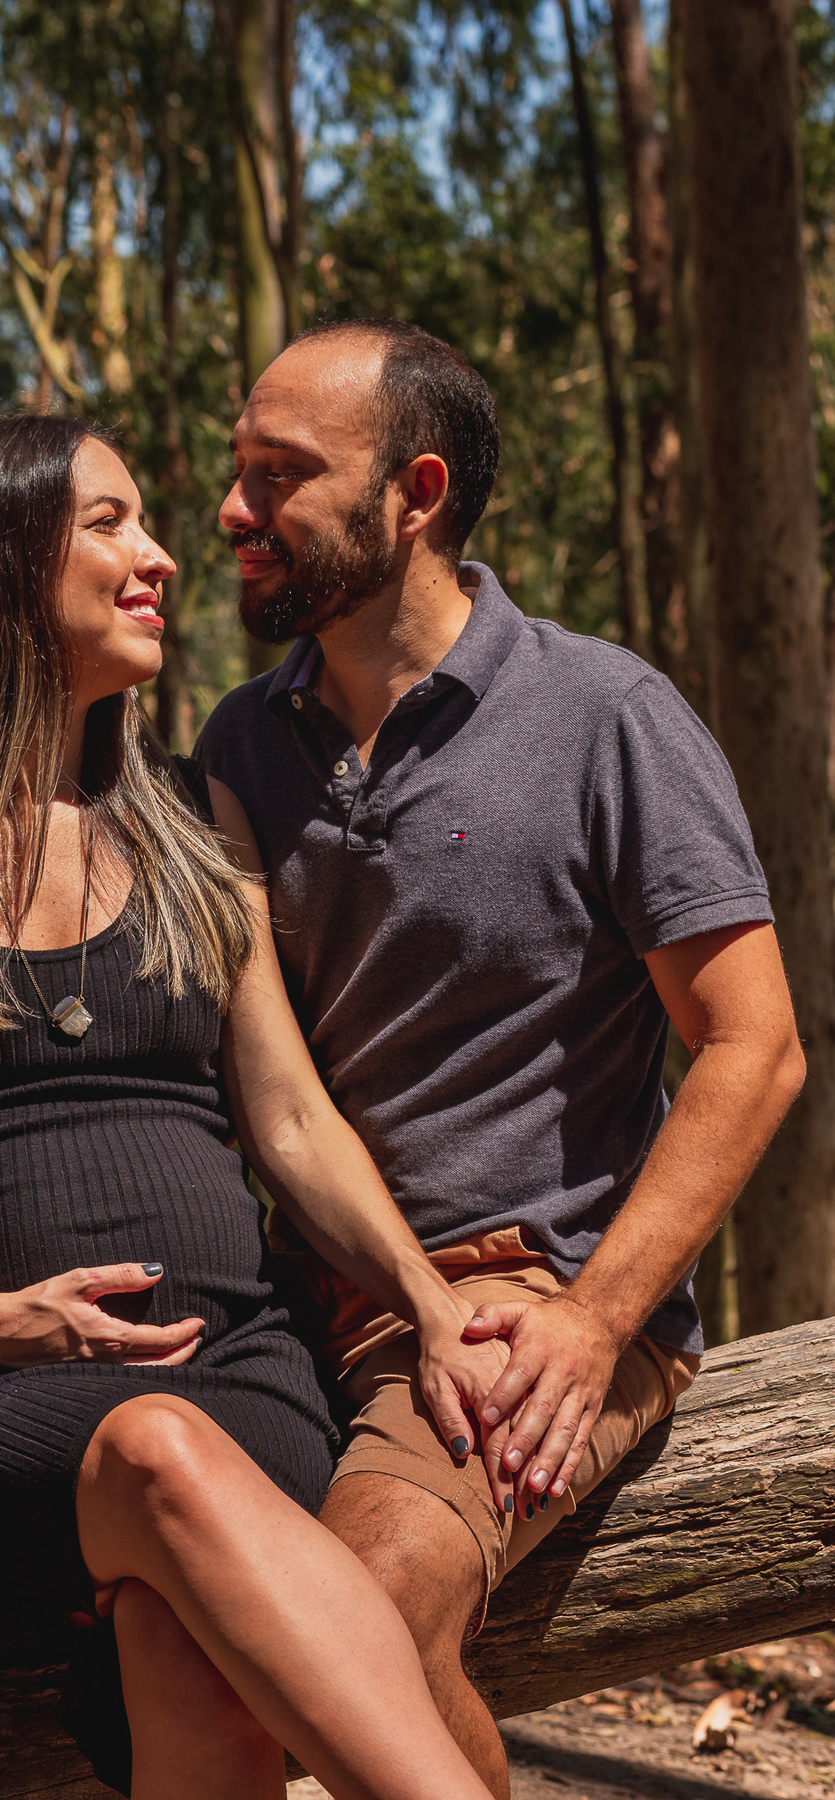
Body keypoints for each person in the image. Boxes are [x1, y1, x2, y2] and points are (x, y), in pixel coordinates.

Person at [0, 411, 503, 1800]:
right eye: (108, 524)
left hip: (244, 1380)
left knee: (184, 1632)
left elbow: (286, 1120)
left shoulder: (187, 812)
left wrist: (432, 1301)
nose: (160, 554)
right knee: (157, 1455)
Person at [195, 318, 806, 1800]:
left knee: (362, 1621)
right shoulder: (240, 746)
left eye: (280, 475)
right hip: (315, 1307)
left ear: (414, 494)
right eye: (235, 470)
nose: (231, 510)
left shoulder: (607, 717)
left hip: (537, 1301)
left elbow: (756, 1047)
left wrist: (599, 1322)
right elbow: (266, 1086)